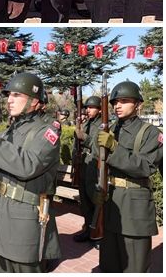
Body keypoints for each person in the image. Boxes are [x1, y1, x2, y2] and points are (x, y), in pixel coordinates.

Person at [0, 73, 62, 272]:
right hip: (0, 214)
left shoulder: (47, 131)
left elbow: (27, 165)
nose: (9, 99)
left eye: (17, 95)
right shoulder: (10, 130)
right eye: (9, 95)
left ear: (35, 100)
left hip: (25, 221)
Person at [98, 81, 162, 272]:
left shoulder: (151, 133)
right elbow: (98, 162)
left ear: (138, 104)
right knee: (109, 265)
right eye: (115, 102)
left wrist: (115, 148)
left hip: (134, 209)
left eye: (124, 101)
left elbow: (145, 166)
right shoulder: (109, 129)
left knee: (134, 267)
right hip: (110, 206)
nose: (117, 105)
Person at [72, 94, 102, 244]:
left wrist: (85, 137)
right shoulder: (86, 123)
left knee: (94, 201)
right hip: (83, 166)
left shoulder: (102, 125)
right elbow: (77, 146)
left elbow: (99, 148)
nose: (88, 110)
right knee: (84, 202)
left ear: (99, 109)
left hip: (94, 168)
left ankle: (97, 232)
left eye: (91, 107)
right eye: (87, 107)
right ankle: (87, 230)